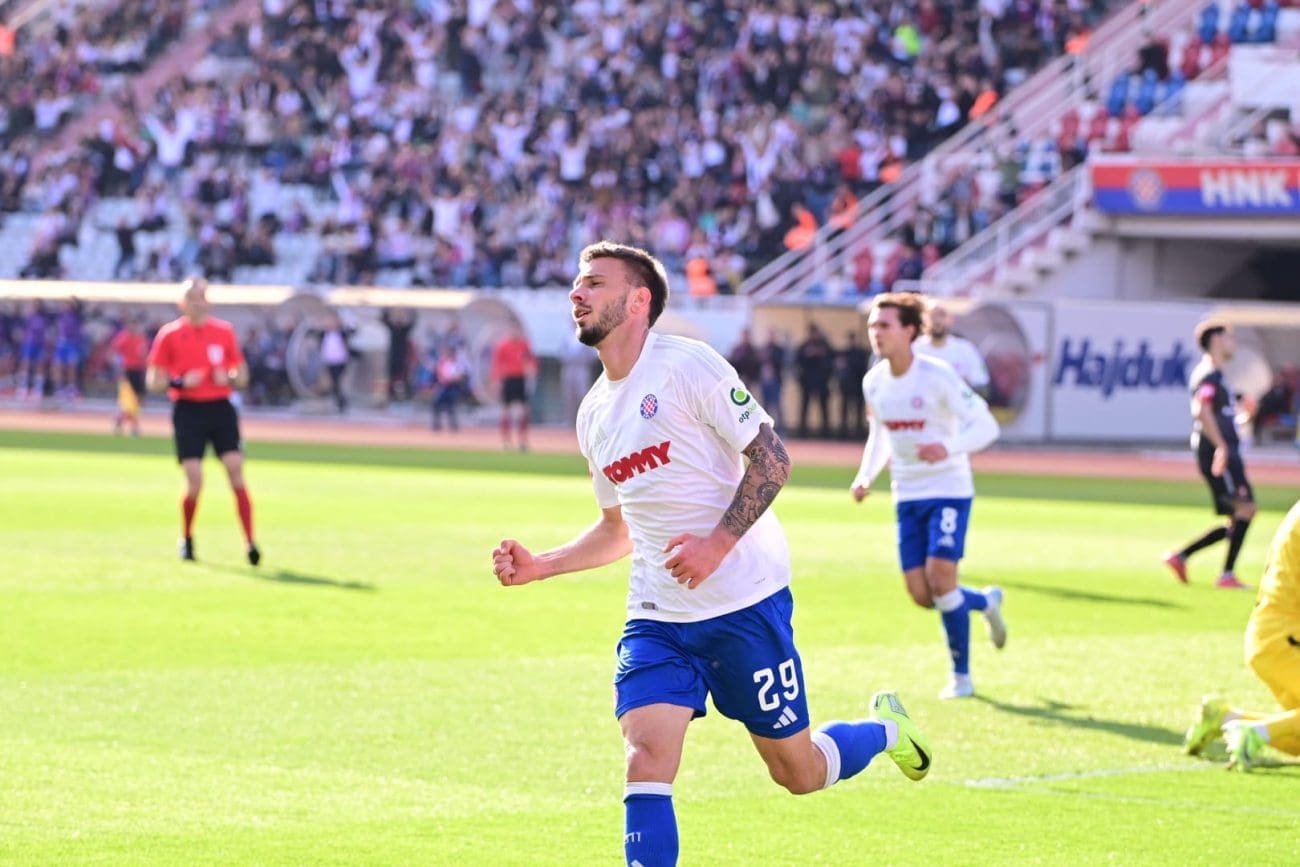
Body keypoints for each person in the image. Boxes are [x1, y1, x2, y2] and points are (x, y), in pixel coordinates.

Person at [492, 242, 932, 867]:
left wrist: (717, 544)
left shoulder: (687, 366)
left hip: (745, 603)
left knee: (798, 772)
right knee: (645, 757)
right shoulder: (593, 413)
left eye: (594, 282)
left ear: (638, 301)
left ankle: (887, 730)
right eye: (577, 283)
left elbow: (773, 459)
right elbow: (618, 530)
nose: (577, 292)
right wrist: (543, 565)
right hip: (657, 617)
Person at [850, 293, 1006, 700]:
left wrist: (948, 448)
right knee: (922, 595)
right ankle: (985, 602)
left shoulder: (937, 376)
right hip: (907, 494)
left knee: (941, 579)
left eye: (884, 325)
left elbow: (986, 426)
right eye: (872, 325)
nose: (876, 332)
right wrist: (866, 476)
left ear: (909, 331)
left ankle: (962, 677)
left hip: (948, 489)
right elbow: (880, 435)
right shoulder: (874, 382)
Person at [146, 277, 260, 566]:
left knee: (235, 468)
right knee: (194, 479)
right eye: (191, 297)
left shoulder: (224, 332)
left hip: (220, 408)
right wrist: (180, 382)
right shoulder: (169, 335)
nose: (197, 303)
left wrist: (229, 378)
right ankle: (186, 537)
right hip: (188, 410)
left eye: (201, 297)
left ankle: (250, 542)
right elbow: (153, 381)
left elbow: (242, 376)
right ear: (182, 303)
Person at [1183, 500, 1300, 771]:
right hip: (1286, 635)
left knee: (1295, 738)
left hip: (1273, 633)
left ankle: (1226, 720)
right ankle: (1256, 733)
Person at [1163, 321, 1255, 590]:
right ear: (1216, 340)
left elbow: (1221, 419)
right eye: (1229, 337)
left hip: (1225, 452)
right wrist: (1222, 447)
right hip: (1219, 455)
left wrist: (1245, 416)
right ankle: (1226, 575)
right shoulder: (1208, 376)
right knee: (1245, 509)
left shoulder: (1218, 376)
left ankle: (1182, 557)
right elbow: (1201, 411)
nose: (1233, 342)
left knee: (1240, 515)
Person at [913, 300, 990, 398]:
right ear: (923, 320)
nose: (937, 320)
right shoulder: (915, 349)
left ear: (950, 320)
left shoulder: (965, 349)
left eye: (942, 315)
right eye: (932, 315)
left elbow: (980, 384)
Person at [490, 324, 537, 451]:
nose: (514, 332)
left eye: (516, 330)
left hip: (521, 379)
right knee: (506, 410)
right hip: (508, 379)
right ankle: (506, 441)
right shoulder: (503, 345)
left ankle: (523, 440)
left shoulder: (524, 345)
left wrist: (531, 370)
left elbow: (532, 360)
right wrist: (497, 380)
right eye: (512, 330)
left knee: (524, 410)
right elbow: (497, 363)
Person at [109, 314, 149, 436]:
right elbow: (113, 352)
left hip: (139, 371)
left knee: (139, 400)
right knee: (130, 401)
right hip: (128, 372)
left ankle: (120, 419)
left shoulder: (141, 338)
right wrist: (118, 366)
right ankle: (134, 426)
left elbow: (144, 354)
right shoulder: (124, 338)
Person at [795, 323, 834, 438]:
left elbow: (832, 361)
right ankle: (802, 432)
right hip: (807, 381)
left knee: (824, 408)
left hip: (822, 381)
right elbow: (798, 362)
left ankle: (826, 432)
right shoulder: (804, 346)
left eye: (815, 332)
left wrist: (821, 354)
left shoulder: (825, 346)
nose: (814, 335)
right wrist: (807, 355)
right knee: (804, 407)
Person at [835, 330, 870, 440]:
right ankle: (843, 431)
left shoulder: (861, 354)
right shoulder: (844, 353)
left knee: (858, 410)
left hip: (857, 385)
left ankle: (858, 431)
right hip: (846, 386)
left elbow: (862, 369)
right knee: (844, 409)